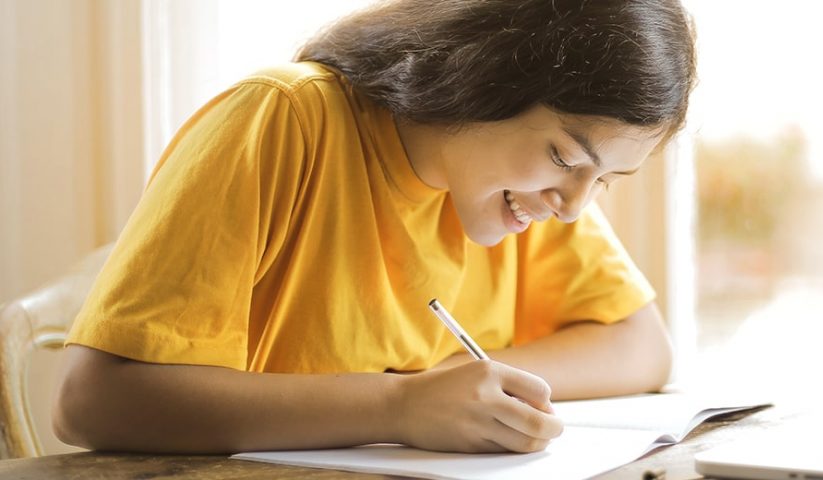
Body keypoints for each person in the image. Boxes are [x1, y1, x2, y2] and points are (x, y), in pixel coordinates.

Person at [53, 0, 696, 455]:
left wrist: (459, 387)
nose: (575, 207)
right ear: (483, 79)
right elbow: (92, 402)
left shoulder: (526, 190)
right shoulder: (284, 119)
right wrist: (400, 407)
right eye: (566, 158)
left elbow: (642, 345)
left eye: (606, 179)